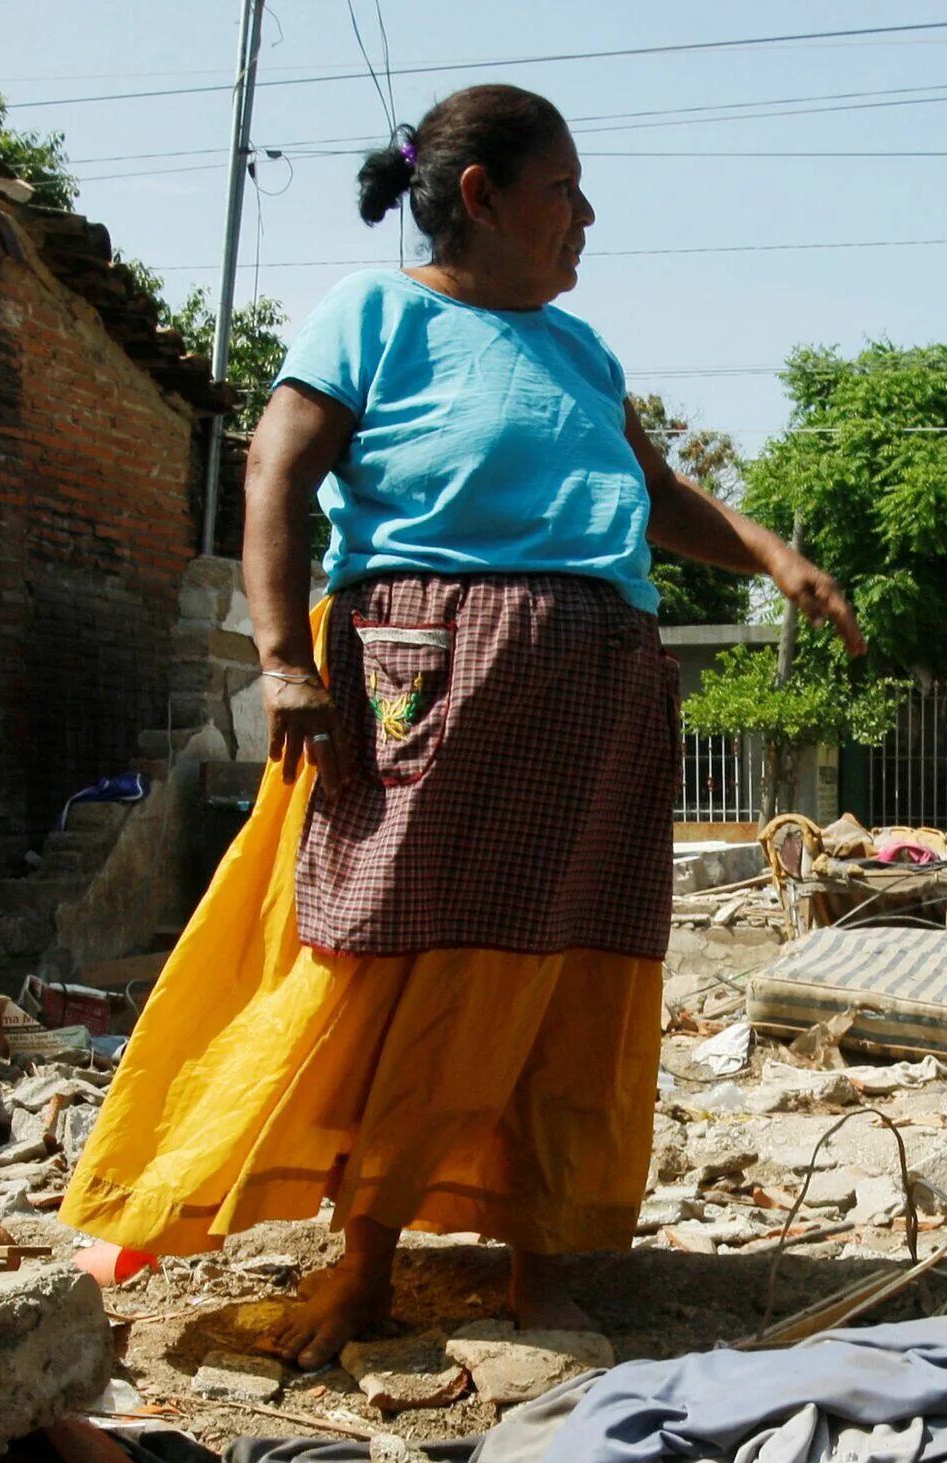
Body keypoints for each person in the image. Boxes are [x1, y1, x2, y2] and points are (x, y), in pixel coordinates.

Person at [61, 83, 862, 1369]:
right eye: (565, 189)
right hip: (431, 685)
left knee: (580, 967)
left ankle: (543, 1255)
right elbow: (276, 470)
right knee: (414, 959)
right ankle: (365, 1257)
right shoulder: (375, 314)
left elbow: (653, 494)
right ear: (482, 196)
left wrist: (771, 555)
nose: (587, 216)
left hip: (596, 701)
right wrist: (281, 663)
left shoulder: (580, 349)